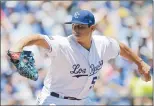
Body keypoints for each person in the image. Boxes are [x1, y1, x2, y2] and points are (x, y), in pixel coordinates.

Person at [9, 10, 151, 105]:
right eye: (74, 26)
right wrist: (17, 48)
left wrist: (140, 63)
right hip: (55, 100)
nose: (76, 30)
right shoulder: (63, 44)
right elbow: (37, 38)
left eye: (81, 27)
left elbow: (120, 48)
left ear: (92, 28)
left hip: (82, 101)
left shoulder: (102, 44)